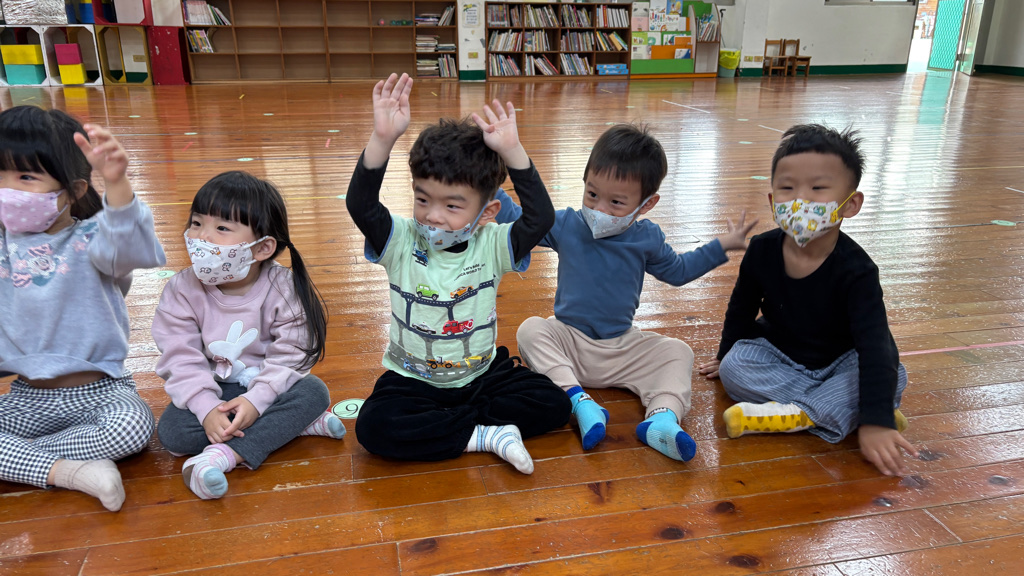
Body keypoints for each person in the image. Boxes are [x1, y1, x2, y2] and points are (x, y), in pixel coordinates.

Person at [345, 73, 569, 475]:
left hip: (481, 373)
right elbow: (361, 204)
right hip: (412, 378)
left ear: (487, 213)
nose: (432, 215)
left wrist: (513, 151)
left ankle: (450, 427)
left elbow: (540, 219)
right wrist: (382, 138)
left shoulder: (494, 243)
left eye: (452, 206)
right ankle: (485, 435)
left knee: (553, 404)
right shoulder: (400, 239)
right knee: (374, 427)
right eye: (422, 199)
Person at [501, 123, 755, 461]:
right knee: (531, 330)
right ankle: (579, 401)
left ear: (646, 204)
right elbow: (520, 221)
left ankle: (662, 419)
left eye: (617, 202)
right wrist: (491, 190)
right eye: (592, 194)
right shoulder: (566, 224)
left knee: (678, 351)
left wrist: (720, 246)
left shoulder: (647, 238)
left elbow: (678, 271)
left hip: (622, 349)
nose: (600, 209)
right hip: (569, 342)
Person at [699, 124, 917, 476]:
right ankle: (843, 408)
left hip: (839, 360)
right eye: (787, 188)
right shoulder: (762, 249)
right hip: (781, 354)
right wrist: (724, 354)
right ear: (772, 200)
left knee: (895, 373)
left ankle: (799, 415)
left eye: (817, 188)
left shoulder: (858, 270)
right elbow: (741, 307)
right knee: (735, 368)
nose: (800, 200)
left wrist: (876, 422)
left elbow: (876, 346)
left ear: (850, 204)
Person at [0, 106, 166, 511]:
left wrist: (117, 184)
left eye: (25, 177)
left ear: (74, 190)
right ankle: (71, 472)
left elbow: (129, 245)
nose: (8, 190)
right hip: (27, 397)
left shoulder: (93, 238)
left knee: (131, 428)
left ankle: (26, 458)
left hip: (100, 392)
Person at [153, 171, 344, 500]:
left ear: (262, 248)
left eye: (222, 228)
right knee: (173, 432)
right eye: (197, 223)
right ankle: (291, 426)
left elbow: (290, 357)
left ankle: (225, 455)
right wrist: (206, 408)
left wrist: (256, 401)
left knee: (314, 392)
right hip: (215, 387)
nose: (202, 237)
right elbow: (180, 357)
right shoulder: (181, 289)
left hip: (270, 385)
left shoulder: (283, 287)